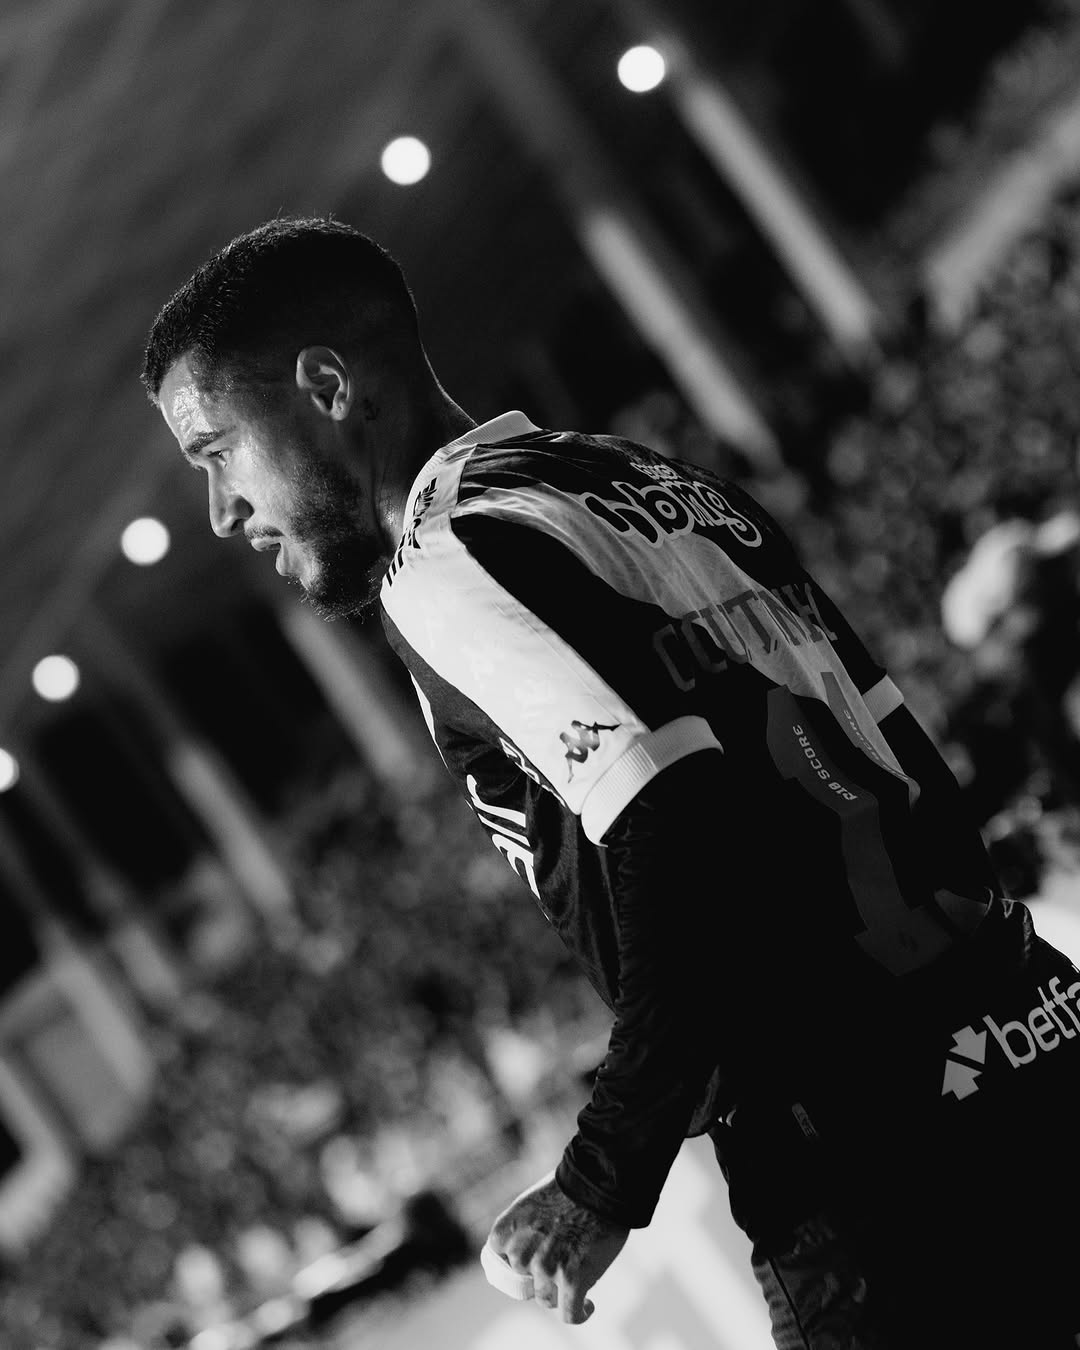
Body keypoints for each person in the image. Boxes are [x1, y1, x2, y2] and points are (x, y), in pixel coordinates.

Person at [142, 216, 1080, 1349]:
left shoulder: (448, 561)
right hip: (1024, 1025)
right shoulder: (650, 480)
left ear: (328, 387)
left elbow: (675, 825)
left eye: (217, 452)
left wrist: (601, 1181)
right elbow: (894, 741)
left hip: (870, 1149)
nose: (222, 511)